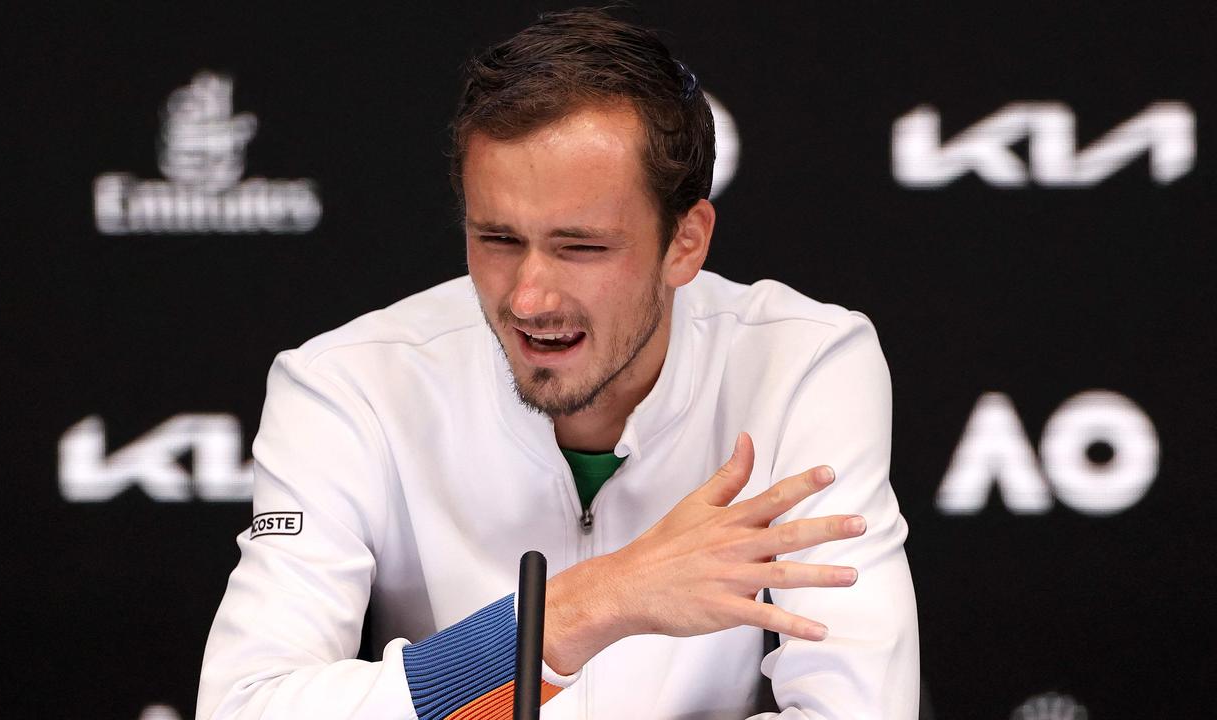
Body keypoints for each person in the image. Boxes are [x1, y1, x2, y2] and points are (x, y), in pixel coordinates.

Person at [197, 7, 918, 719]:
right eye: (498, 239)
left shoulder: (802, 363)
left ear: (686, 242)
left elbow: (860, 710)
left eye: (581, 248)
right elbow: (244, 708)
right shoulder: (346, 385)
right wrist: (588, 605)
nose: (529, 297)